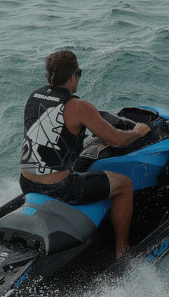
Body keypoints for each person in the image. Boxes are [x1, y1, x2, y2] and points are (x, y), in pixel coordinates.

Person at [20, 50, 150, 258]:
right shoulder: (79, 106)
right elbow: (116, 139)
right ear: (72, 76)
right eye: (78, 73)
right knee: (124, 185)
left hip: (26, 184)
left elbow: (52, 140)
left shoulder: (34, 96)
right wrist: (137, 132)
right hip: (60, 189)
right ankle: (122, 250)